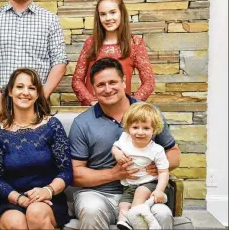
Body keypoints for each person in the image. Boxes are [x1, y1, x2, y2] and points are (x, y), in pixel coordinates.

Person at [68, 57, 181, 230]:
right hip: (99, 194)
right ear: (93, 89)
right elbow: (75, 174)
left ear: (124, 81)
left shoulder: (149, 113)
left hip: (143, 191)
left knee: (162, 214)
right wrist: (114, 174)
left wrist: (158, 167)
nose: (108, 89)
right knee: (91, 210)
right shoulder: (82, 123)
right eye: (100, 85)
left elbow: (174, 153)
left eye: (113, 82)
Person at [0, 67, 73, 229]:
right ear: (10, 92)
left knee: (35, 213)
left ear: (38, 94)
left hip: (49, 197)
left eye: (31, 88)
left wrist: (47, 191)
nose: (25, 92)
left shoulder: (52, 125)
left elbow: (66, 172)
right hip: (12, 199)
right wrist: (20, 199)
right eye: (20, 87)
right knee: (15, 222)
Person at [72, 0, 155, 106]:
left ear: (121, 13)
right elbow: (77, 80)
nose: (108, 18)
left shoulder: (135, 44)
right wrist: (91, 102)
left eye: (112, 12)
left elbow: (149, 82)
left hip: (121, 112)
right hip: (93, 112)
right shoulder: (91, 43)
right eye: (103, 14)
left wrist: (131, 105)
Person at [111, 102, 170, 230]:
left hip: (150, 184)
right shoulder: (125, 138)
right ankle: (124, 222)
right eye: (135, 127)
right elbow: (115, 147)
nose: (140, 132)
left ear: (154, 130)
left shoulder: (156, 150)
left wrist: (159, 190)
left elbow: (164, 172)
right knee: (123, 204)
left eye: (146, 128)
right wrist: (117, 154)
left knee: (140, 192)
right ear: (128, 128)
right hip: (129, 185)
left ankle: (139, 219)